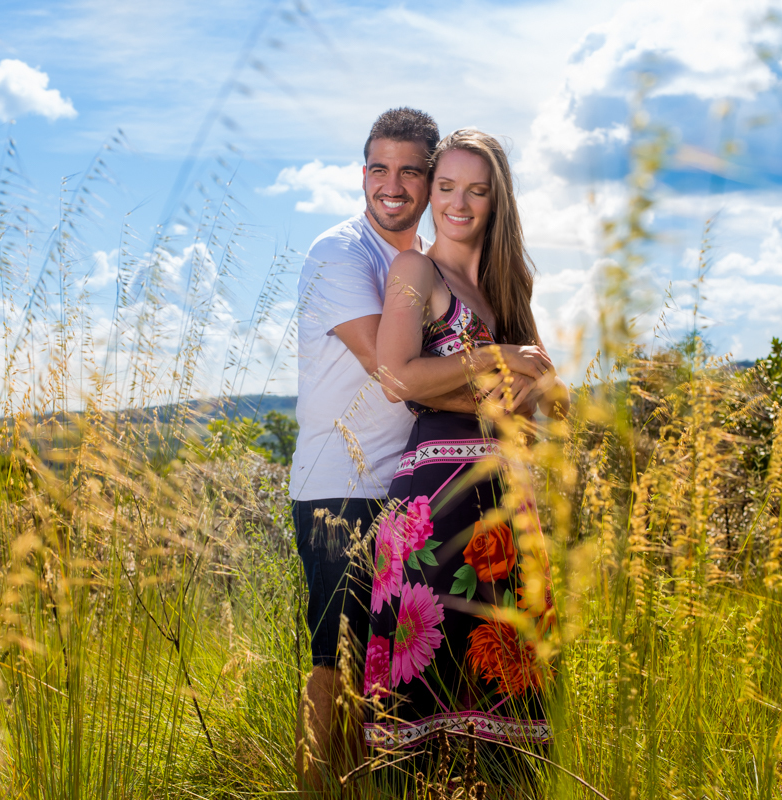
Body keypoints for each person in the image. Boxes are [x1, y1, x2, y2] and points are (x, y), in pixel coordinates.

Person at [290, 110, 539, 794]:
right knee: (336, 661)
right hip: (340, 482)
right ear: (362, 174)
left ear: (427, 182)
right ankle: (319, 791)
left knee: (401, 667)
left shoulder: (441, 262)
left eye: (409, 171)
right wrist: (504, 385)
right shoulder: (342, 253)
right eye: (378, 169)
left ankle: (376, 787)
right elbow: (395, 374)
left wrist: (526, 397)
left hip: (411, 483)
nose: (391, 185)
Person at [362, 128, 569, 791]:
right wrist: (495, 361)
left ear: (496, 199)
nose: (456, 203)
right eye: (445, 187)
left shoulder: (514, 286)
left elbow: (535, 406)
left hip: (508, 506)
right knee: (422, 713)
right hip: (434, 509)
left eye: (475, 190)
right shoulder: (415, 271)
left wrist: (530, 388)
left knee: (512, 715)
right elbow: (398, 375)